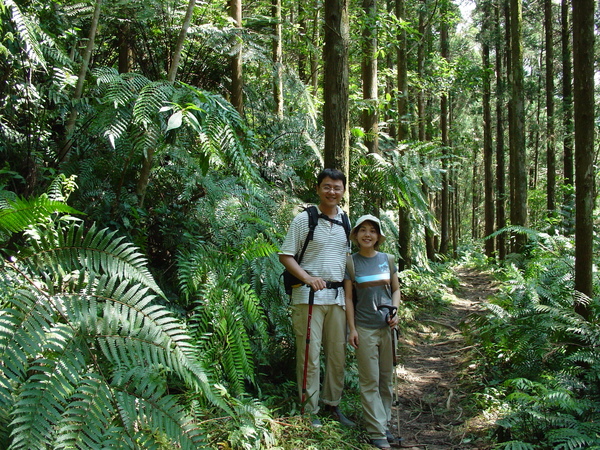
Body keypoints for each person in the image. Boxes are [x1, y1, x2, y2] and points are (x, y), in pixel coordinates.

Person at [278, 168, 355, 428]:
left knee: (337, 355)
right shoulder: (304, 219)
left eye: (337, 187)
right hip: (307, 297)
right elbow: (286, 255)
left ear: (343, 190)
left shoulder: (346, 222)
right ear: (318, 188)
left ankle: (332, 405)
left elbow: (347, 263)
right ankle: (308, 411)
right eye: (327, 186)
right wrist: (309, 278)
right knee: (309, 356)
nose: (332, 191)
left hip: (337, 299)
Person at [344, 215, 401, 449]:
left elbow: (396, 290)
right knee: (369, 381)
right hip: (365, 328)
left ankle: (384, 423)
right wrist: (352, 329)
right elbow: (348, 297)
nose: (367, 234)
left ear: (378, 237)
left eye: (372, 231)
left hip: (387, 328)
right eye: (363, 230)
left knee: (386, 380)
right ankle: (376, 431)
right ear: (356, 235)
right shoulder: (351, 262)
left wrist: (396, 312)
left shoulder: (387, 260)